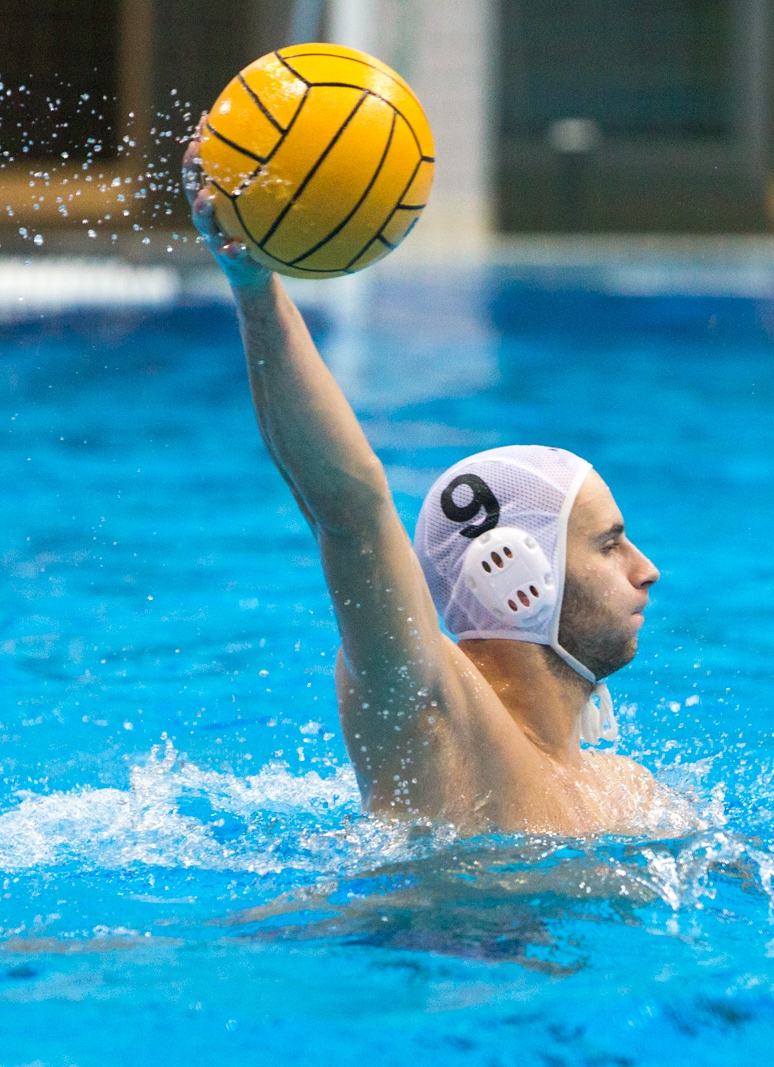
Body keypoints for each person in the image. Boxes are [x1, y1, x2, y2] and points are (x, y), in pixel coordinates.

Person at [182, 137, 673, 838]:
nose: (646, 569)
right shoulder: (430, 716)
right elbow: (346, 507)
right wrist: (255, 287)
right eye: (610, 544)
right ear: (516, 574)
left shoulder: (628, 793)